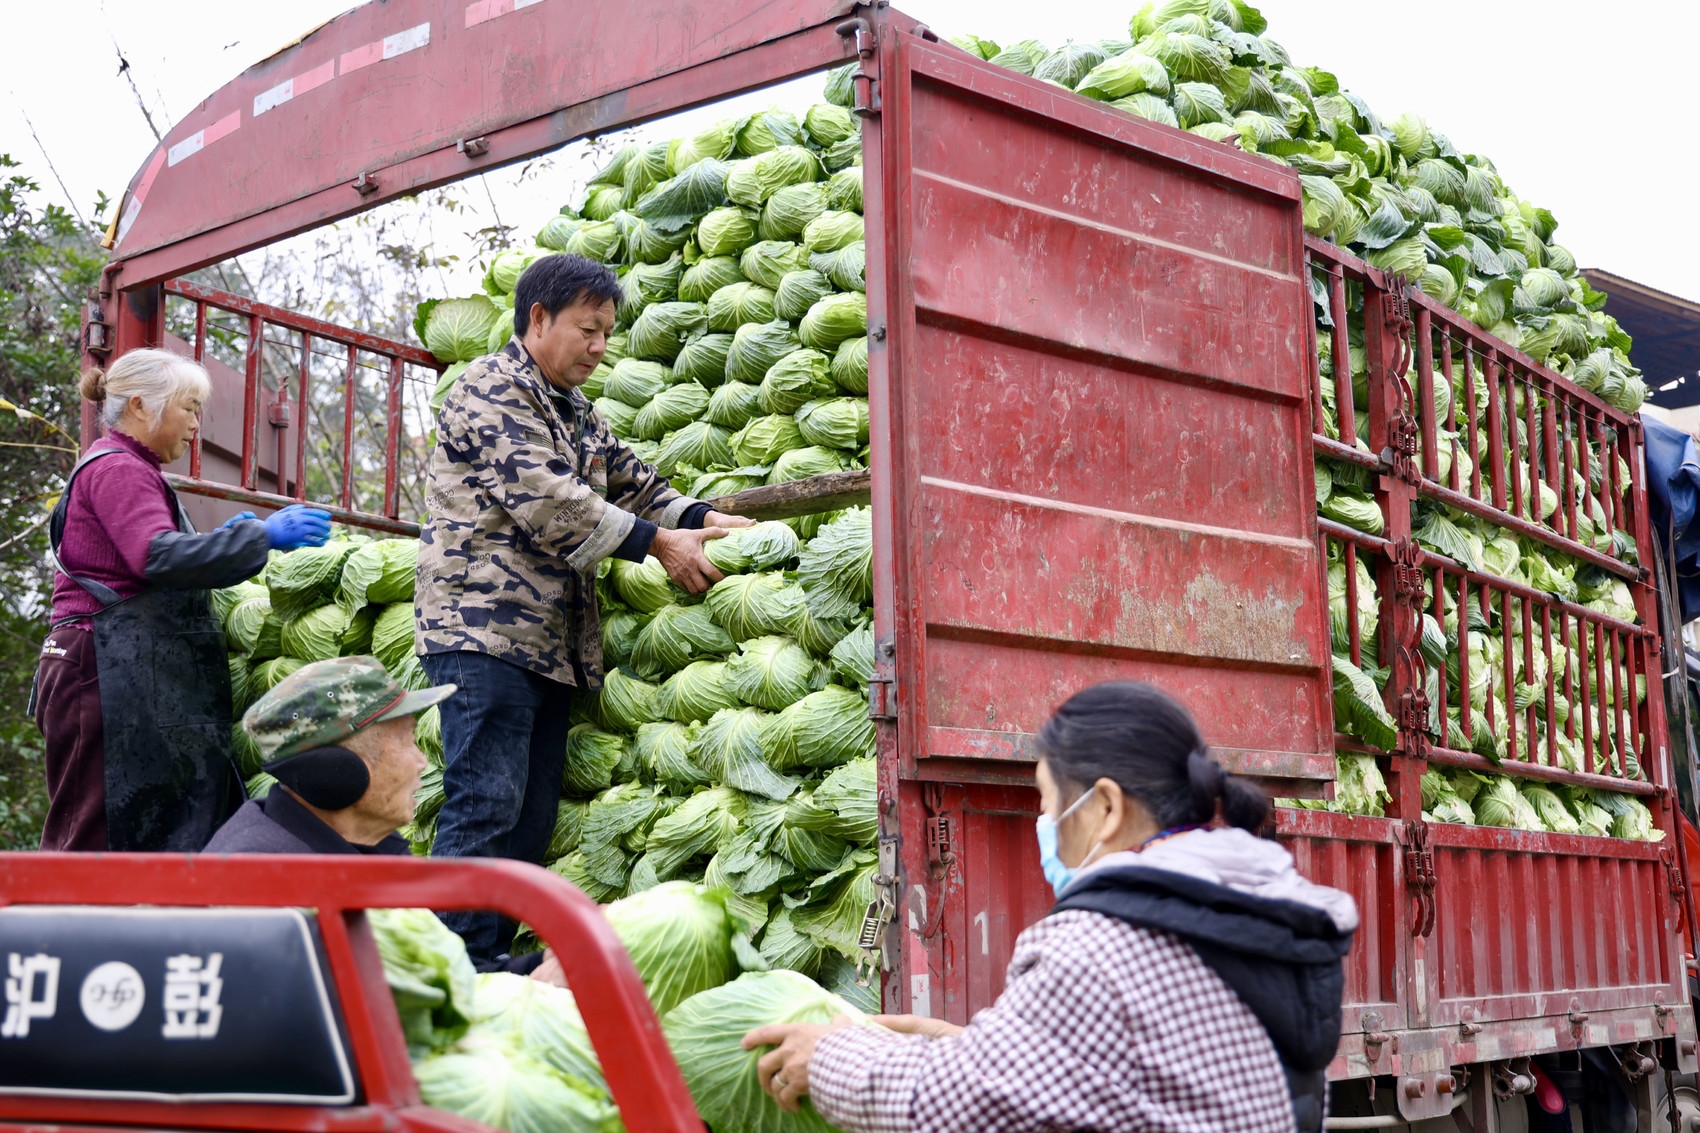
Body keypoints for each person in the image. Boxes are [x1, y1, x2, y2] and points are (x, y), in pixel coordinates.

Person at [742, 681, 1359, 1133]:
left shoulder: (1104, 942)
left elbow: (949, 1109)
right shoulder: (1254, 914)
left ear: (1106, 808)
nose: (1043, 824)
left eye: (1046, 801)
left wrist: (825, 1057)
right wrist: (958, 1041)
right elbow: (1146, 1081)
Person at [415, 253, 754, 965]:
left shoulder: (576, 412)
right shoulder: (488, 390)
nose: (601, 348)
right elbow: (548, 499)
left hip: (548, 646)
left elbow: (634, 483)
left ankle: (494, 960)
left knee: (530, 816)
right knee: (484, 802)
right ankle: (455, 969)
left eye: (607, 333)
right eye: (588, 329)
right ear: (538, 319)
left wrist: (706, 518)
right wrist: (661, 544)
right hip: (481, 634)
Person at [34, 348, 331, 852]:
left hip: (116, 670)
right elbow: (155, 556)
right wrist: (261, 536)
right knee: (94, 830)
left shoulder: (132, 469)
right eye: (189, 407)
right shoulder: (118, 470)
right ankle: (54, 933)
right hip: (97, 671)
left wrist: (231, 537)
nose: (197, 422)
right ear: (139, 406)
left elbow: (156, 558)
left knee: (139, 830)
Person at [204, 655, 452, 856]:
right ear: (339, 770)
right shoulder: (260, 880)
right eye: (407, 742)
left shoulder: (372, 844)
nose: (422, 762)